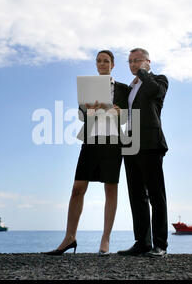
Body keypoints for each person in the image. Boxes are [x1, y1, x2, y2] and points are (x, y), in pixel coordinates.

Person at [43, 50, 130, 256]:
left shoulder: (123, 89)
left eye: (106, 61)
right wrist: (89, 110)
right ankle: (69, 238)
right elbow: (82, 117)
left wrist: (115, 111)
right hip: (90, 141)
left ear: (113, 65)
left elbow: (126, 118)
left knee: (110, 188)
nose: (102, 64)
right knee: (77, 188)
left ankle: (105, 239)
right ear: (96, 64)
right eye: (99, 61)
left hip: (113, 142)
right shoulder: (88, 87)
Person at [117, 48, 169, 257]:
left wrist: (144, 73)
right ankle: (142, 242)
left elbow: (157, 92)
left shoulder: (158, 79)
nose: (132, 64)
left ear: (147, 61)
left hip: (150, 142)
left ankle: (160, 245)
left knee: (156, 195)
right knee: (136, 195)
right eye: (129, 61)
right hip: (130, 143)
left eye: (136, 60)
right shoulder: (129, 88)